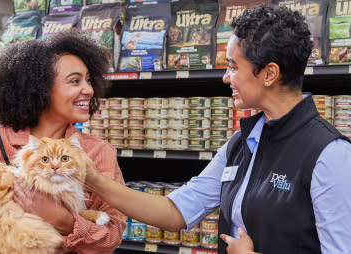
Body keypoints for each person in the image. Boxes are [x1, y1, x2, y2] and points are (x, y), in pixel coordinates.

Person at [84, 5, 351, 254]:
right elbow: (175, 211)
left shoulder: (330, 154)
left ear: (269, 74)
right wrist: (95, 180)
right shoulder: (242, 142)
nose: (225, 77)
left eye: (233, 66)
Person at [0, 31, 126, 254]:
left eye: (88, 80)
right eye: (75, 81)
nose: (88, 90)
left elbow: (112, 237)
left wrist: (65, 222)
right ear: (40, 87)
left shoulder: (99, 152)